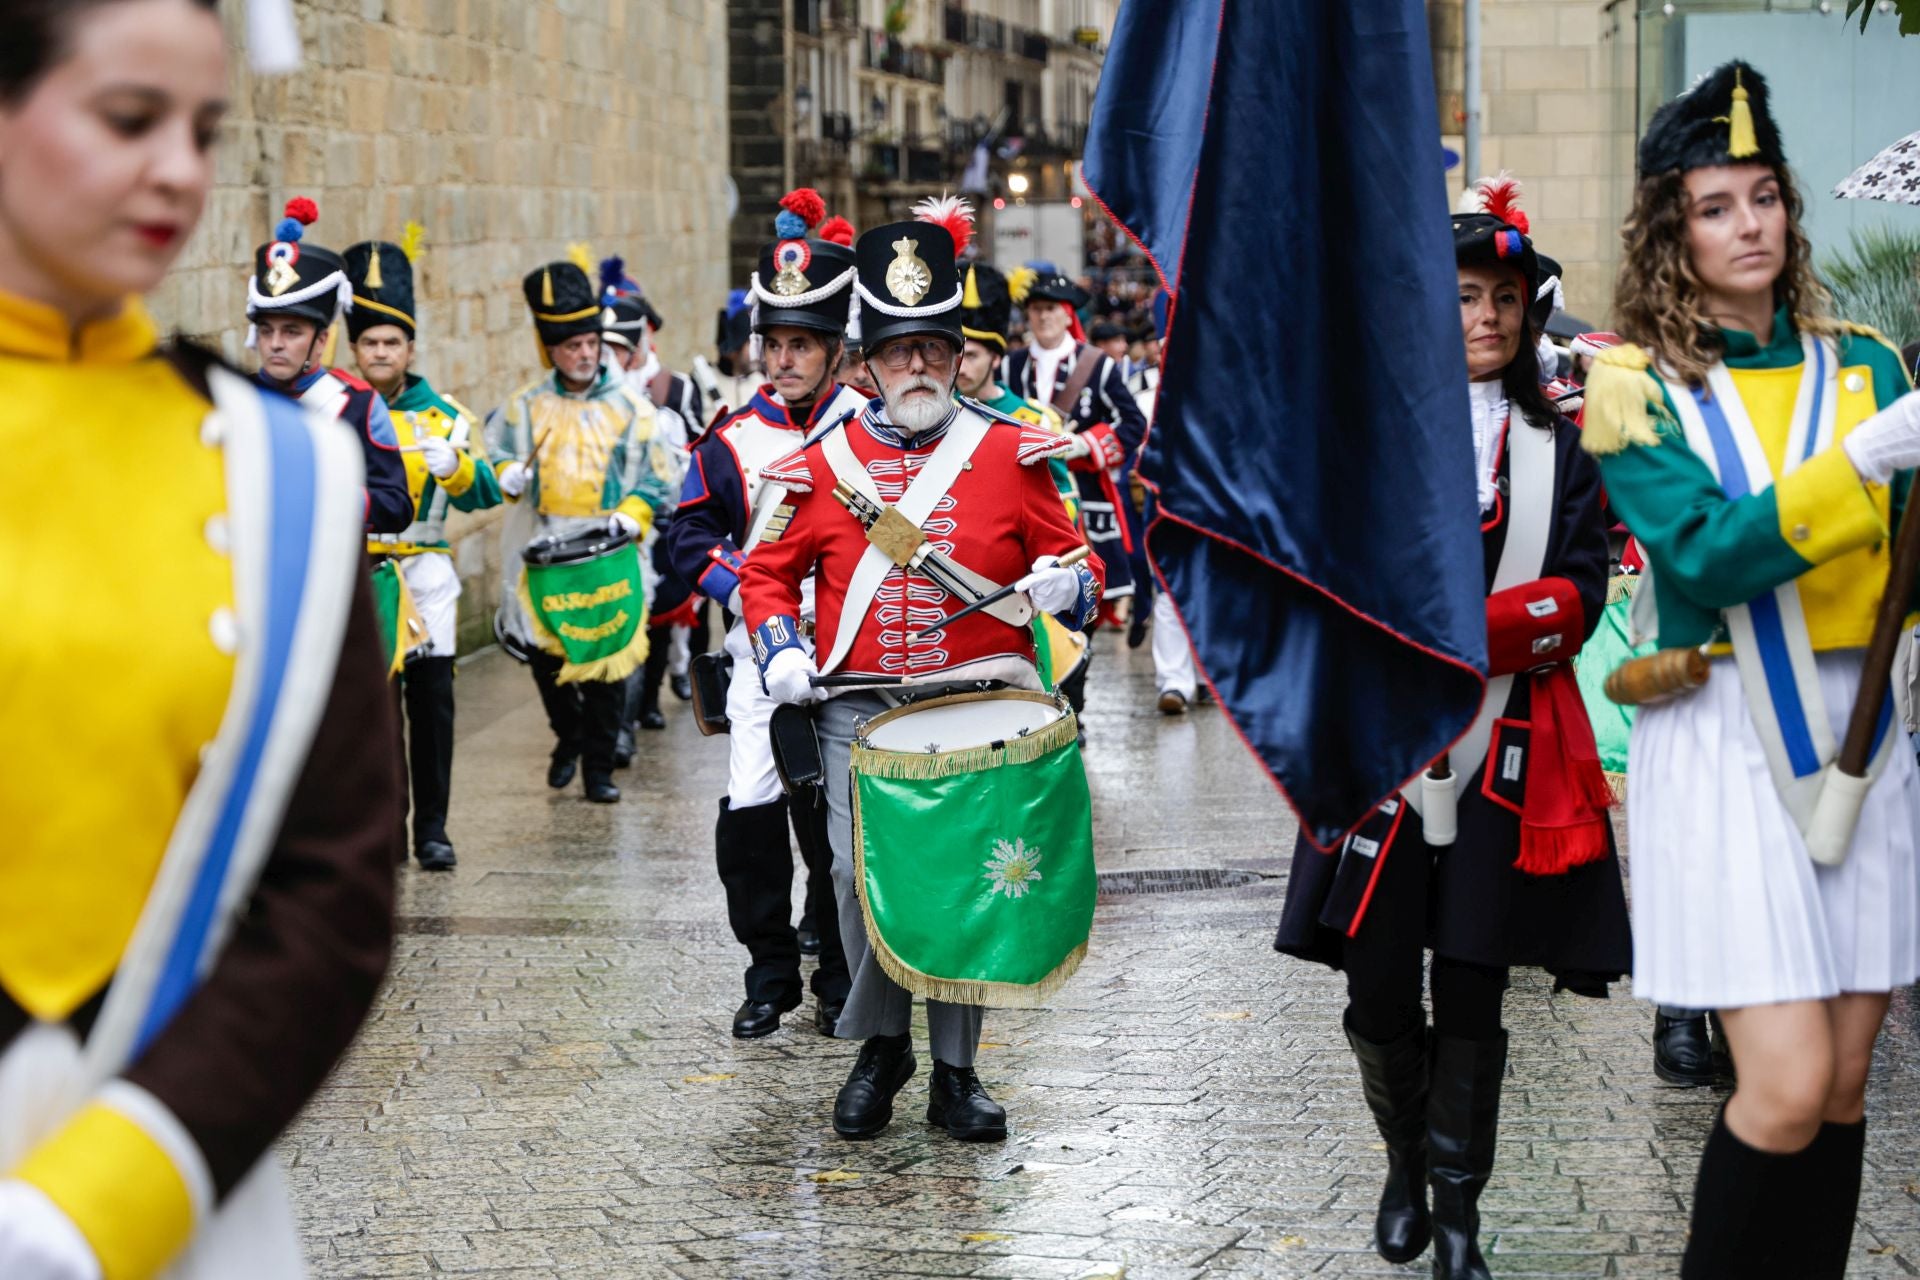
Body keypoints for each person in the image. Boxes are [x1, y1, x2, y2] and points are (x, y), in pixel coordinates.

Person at [0, 1, 398, 1274]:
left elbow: (334, 886)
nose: (179, 167)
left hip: (167, 1197)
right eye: (129, 119)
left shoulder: (284, 475)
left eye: (204, 128)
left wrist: (105, 1196)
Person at [1583, 62, 1920, 1279]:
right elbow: (1708, 555)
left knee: (1835, 1089)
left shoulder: (1873, 362)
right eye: (1717, 204)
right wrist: (1868, 460)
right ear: (1671, 225)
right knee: (1776, 1087)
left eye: (1765, 195)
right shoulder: (1631, 388)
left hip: (1867, 733)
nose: (1751, 224)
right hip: (1730, 735)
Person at [1274, 175, 1630, 1279]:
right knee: (1379, 984)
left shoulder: (1559, 448)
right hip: (1380, 752)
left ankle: (1460, 1211)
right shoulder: (1363, 445)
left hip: (1502, 749)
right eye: (1464, 296)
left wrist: (1463, 633)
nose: (1484, 318)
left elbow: (1578, 590)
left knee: (1474, 981)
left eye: (1503, 300)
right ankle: (1403, 1163)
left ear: (1529, 315)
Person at [741, 200, 1103, 1143]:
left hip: (975, 706)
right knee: (859, 888)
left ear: (956, 353)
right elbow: (766, 577)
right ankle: (879, 1047)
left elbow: (1079, 559)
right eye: (899, 352)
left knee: (959, 886)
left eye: (935, 350)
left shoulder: (1009, 453)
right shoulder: (815, 467)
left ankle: (953, 1073)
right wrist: (780, 648)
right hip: (855, 713)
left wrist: (1066, 582)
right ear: (867, 361)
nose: (918, 369)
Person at [665, 189, 869, 1040]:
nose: (782, 360)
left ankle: (837, 971)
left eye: (801, 345)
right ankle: (768, 971)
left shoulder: (872, 428)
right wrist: (743, 583)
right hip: (760, 652)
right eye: (773, 344)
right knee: (751, 809)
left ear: (832, 350)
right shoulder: (729, 436)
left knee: (838, 822)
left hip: (854, 655)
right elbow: (684, 539)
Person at [485, 260, 677, 804]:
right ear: (552, 350)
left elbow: (660, 476)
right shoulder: (526, 407)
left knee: (607, 666)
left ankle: (599, 769)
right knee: (548, 657)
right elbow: (495, 451)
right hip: (547, 550)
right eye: (572, 346)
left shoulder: (630, 408)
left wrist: (633, 512)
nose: (586, 353)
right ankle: (567, 735)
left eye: (592, 342)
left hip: (609, 548)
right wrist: (507, 473)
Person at [344, 231, 502, 872]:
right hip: (360, 573)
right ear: (354, 348)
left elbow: (488, 491)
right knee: (374, 713)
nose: (380, 353)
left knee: (431, 708)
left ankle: (431, 829)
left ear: (410, 348)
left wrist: (459, 468)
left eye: (392, 343)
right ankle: (383, 825)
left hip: (427, 572)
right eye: (370, 342)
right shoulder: (339, 408)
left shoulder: (448, 416)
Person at [245, 197, 411, 534]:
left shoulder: (359, 404)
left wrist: (338, 498)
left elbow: (397, 505)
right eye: (266, 331)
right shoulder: (235, 395)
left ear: (322, 340)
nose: (275, 343)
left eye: (291, 332)